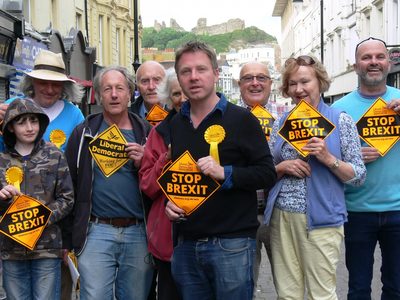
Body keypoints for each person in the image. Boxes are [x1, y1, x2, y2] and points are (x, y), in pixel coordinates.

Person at [165, 40, 277, 300]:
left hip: (232, 245)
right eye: (186, 71)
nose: (194, 77)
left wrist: (225, 173)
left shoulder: (242, 119)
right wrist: (171, 202)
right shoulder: (177, 123)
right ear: (179, 79)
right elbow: (181, 176)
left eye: (201, 69)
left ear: (216, 74)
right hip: (187, 244)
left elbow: (267, 173)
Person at [264, 55, 367, 299]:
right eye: (292, 84)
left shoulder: (340, 120)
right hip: (281, 218)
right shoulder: (281, 122)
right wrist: (282, 167)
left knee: (321, 294)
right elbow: (266, 169)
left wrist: (327, 157)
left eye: (305, 82)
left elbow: (359, 176)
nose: (299, 89)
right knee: (288, 294)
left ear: (319, 82)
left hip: (321, 220)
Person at [63, 65, 153, 300]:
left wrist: (145, 163)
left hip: (138, 233)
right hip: (95, 232)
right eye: (108, 89)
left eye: (120, 88)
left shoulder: (148, 133)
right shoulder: (82, 134)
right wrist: (68, 236)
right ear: (99, 95)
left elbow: (160, 185)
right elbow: (67, 186)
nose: (114, 94)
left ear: (130, 93)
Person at [0, 49, 84, 300]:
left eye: (56, 84)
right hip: (12, 243)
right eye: (43, 82)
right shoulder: (11, 107)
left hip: (49, 240)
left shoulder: (74, 115)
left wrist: (44, 219)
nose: (49, 88)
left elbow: (70, 190)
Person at [332, 37, 400, 299]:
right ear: (355, 66)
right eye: (366, 58)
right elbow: (326, 158)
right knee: (358, 287)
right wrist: (350, 155)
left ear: (389, 62)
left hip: (398, 209)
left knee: (396, 287)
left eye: (379, 57)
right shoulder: (338, 110)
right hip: (356, 210)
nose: (374, 62)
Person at [140, 67, 187, 300]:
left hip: (209, 237)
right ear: (169, 98)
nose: (183, 99)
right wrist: (166, 158)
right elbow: (147, 186)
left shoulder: (217, 129)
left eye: (187, 92)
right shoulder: (158, 133)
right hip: (168, 239)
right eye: (177, 94)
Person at [238, 61, 273, 297]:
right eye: (248, 78)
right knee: (242, 285)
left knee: (288, 284)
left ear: (271, 83)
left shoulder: (290, 117)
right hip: (241, 214)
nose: (255, 83)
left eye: (261, 77)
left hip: (277, 214)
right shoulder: (227, 118)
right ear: (239, 85)